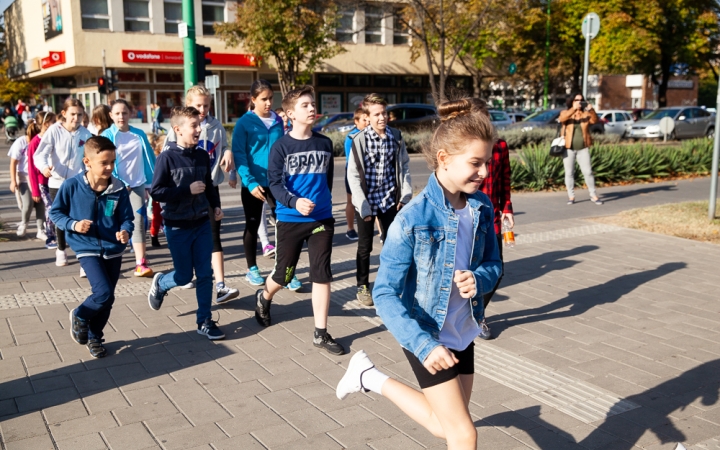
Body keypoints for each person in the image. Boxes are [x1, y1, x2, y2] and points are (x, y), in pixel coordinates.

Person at [336, 98, 502, 449]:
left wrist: (480, 279)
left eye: (485, 162)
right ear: (444, 159)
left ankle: (368, 376)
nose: (484, 173)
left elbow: (494, 264)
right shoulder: (412, 218)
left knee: (447, 426)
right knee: (464, 434)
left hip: (464, 329)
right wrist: (423, 345)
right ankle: (370, 376)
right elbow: (383, 293)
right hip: (425, 333)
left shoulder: (481, 207)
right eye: (475, 163)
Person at [262, 85, 344, 356]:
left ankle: (321, 333)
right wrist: (294, 202)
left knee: (321, 273)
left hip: (322, 218)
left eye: (312, 104)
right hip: (290, 219)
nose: (311, 108)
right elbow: (274, 184)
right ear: (289, 114)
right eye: (305, 105)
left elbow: (327, 179)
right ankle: (264, 296)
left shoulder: (324, 143)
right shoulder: (280, 147)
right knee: (284, 275)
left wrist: (321, 203)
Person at [50, 136, 134, 358]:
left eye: (112, 162)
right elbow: (55, 213)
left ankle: (95, 337)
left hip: (113, 248)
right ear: (87, 162)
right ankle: (80, 314)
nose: (109, 167)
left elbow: (127, 218)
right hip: (86, 247)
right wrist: (74, 224)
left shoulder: (118, 189)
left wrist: (125, 231)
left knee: (109, 297)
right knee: (103, 292)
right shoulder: (71, 186)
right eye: (104, 163)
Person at [147, 106, 225, 340]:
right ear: (178, 129)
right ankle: (161, 283)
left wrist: (215, 205)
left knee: (204, 273)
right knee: (183, 277)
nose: (199, 129)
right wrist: (185, 190)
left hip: (201, 222)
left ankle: (204, 320)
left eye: (199, 125)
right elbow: (157, 192)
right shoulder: (166, 158)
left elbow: (209, 185)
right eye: (194, 126)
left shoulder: (202, 155)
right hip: (177, 226)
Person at [161, 85, 240, 303]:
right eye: (198, 105)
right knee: (186, 238)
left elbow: (223, 147)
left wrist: (228, 154)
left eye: (206, 105)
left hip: (209, 187)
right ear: (188, 106)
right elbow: (168, 157)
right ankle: (181, 274)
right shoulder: (177, 130)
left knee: (214, 236)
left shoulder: (216, 127)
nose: (203, 109)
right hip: (183, 191)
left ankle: (221, 285)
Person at [232, 79, 302, 290]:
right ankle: (252, 268)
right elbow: (240, 155)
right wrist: (250, 182)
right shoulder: (244, 123)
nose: (269, 103)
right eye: (264, 99)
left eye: (271, 98)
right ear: (253, 100)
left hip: (276, 182)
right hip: (253, 184)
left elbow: (282, 150)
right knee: (252, 225)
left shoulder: (277, 121)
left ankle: (284, 271)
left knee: (284, 224)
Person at [347, 94, 412, 307]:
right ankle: (362, 285)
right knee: (365, 246)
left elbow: (404, 167)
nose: (382, 117)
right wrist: (362, 203)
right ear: (367, 116)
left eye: (384, 113)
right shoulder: (360, 140)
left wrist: (405, 194)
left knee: (392, 243)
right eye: (376, 114)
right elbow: (353, 175)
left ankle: (387, 284)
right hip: (366, 201)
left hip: (388, 200)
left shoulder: (396, 137)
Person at [34, 98, 93, 267]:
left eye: (79, 114)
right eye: (73, 114)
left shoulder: (85, 133)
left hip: (77, 182)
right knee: (61, 217)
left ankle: (84, 256)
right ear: (64, 114)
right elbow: (40, 154)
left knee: (80, 217)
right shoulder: (54, 130)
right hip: (57, 182)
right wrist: (45, 168)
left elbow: (88, 158)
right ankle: (61, 249)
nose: (76, 118)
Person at [101, 99, 157, 277]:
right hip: (113, 188)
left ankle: (141, 263)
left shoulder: (139, 134)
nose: (121, 116)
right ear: (111, 115)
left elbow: (149, 160)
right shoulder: (106, 136)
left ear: (130, 114)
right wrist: (116, 182)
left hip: (137, 186)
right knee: (109, 220)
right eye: (117, 113)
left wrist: (152, 182)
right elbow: (102, 162)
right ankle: (105, 258)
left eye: (124, 113)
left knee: (139, 223)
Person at [475, 99, 513, 341]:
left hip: (493, 218)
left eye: (484, 119)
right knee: (471, 270)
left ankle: (476, 313)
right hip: (468, 218)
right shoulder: (464, 149)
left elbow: (505, 182)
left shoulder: (500, 146)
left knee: (496, 271)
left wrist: (507, 208)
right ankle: (476, 317)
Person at [558, 93, 603, 206]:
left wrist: (591, 110)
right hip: (568, 148)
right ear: (571, 101)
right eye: (576, 100)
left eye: (581, 100)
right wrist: (573, 109)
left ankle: (593, 195)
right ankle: (571, 196)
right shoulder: (566, 113)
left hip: (583, 148)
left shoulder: (585, 114)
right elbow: (562, 118)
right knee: (569, 173)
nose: (579, 102)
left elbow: (594, 121)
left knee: (588, 172)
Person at [8, 118, 46, 239]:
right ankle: (24, 223)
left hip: (38, 175)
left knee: (40, 203)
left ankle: (41, 229)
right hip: (23, 177)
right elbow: (13, 163)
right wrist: (13, 180)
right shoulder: (21, 142)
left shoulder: (42, 142)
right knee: (28, 203)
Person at [27, 112, 58, 248]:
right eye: (53, 121)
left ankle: (61, 234)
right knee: (50, 208)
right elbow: (31, 169)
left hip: (56, 181)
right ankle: (50, 236)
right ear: (46, 124)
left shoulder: (55, 137)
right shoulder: (35, 142)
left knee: (58, 208)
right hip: (42, 183)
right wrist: (35, 191)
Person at [343, 108, 369, 241]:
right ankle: (350, 228)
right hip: (353, 174)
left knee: (370, 202)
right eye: (364, 120)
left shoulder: (371, 134)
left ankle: (380, 230)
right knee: (351, 202)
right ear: (356, 121)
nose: (367, 122)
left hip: (368, 175)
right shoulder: (351, 137)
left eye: (368, 119)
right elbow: (352, 160)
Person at [148, 134, 164, 248]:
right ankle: (154, 235)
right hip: (158, 194)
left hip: (169, 193)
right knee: (157, 217)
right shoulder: (157, 160)